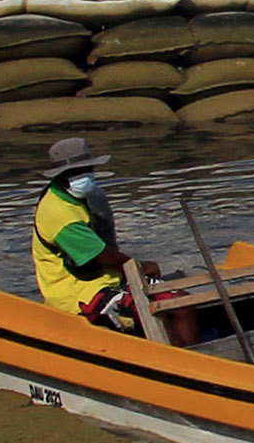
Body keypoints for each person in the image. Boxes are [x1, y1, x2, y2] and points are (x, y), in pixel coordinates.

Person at [30, 138, 158, 332]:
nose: (85, 175)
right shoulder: (58, 213)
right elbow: (103, 255)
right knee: (159, 309)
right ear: (61, 176)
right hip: (79, 294)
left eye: (87, 169)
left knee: (178, 298)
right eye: (75, 172)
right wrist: (140, 268)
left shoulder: (86, 197)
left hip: (107, 279)